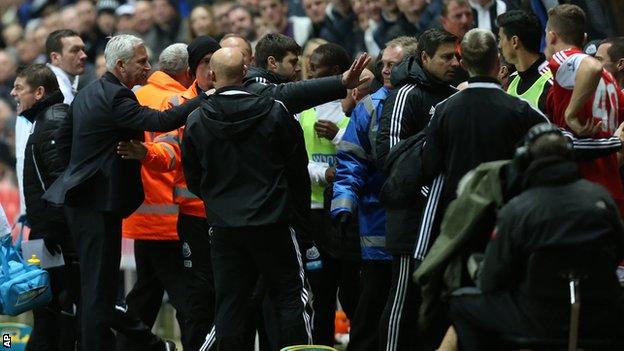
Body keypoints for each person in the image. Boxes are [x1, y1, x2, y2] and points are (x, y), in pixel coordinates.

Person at [42, 34, 205, 351]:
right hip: (98, 205)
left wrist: (73, 175)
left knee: (96, 287)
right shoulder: (118, 97)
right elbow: (162, 119)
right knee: (99, 290)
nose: (148, 66)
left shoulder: (88, 92)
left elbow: (63, 141)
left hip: (85, 203)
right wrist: (205, 96)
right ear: (120, 65)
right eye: (142, 61)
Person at [416, 30, 548, 345]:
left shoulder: (445, 110)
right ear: (497, 62)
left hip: (458, 225)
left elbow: (427, 167)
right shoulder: (519, 110)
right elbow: (553, 148)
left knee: (460, 305)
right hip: (504, 226)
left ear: (463, 62)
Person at [180, 46, 313, 350]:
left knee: (230, 304)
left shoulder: (197, 120)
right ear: (245, 73)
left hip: (225, 227)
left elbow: (194, 178)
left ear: (211, 76)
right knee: (291, 296)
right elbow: (296, 170)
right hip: (273, 222)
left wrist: (218, 202)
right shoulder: (275, 111)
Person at [448, 124, 624, 351]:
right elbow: (617, 253)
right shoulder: (601, 198)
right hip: (600, 317)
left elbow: (490, 281)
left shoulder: (518, 209)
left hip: (538, 321)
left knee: (461, 303)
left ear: (524, 160)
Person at [373, 30, 456, 350]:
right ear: (424, 57)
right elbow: (390, 159)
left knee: (437, 302)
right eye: (445, 57)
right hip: (410, 216)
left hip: (443, 218)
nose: (453, 63)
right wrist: (428, 197)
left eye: (456, 57)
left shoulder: (453, 94)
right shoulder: (406, 94)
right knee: (403, 298)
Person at [116, 43, 194, 351]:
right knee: (187, 298)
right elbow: (173, 155)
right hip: (172, 218)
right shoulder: (179, 100)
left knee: (146, 293)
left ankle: (127, 345)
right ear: (188, 72)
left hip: (141, 214)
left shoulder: (135, 96)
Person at [296, 42, 360, 347]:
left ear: (335, 72)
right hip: (314, 209)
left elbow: (365, 154)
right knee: (320, 292)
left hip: (347, 210)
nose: (308, 70)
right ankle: (320, 346)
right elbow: (294, 161)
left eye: (315, 65)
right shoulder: (303, 109)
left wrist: (337, 137)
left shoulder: (356, 105)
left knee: (351, 291)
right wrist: (324, 173)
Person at [16, 64, 79, 351]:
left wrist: (51, 230)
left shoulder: (52, 120)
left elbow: (60, 182)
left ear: (39, 92)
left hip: (54, 237)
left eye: (20, 88)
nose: (14, 93)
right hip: (44, 232)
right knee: (44, 305)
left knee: (54, 304)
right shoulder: (43, 119)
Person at [544, 4, 624, 212]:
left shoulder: (566, 58)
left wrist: (571, 115)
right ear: (585, 37)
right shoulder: (611, 81)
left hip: (581, 192)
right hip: (612, 190)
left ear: (552, 36)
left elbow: (592, 66)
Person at [498, 10, 552, 113]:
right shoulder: (511, 80)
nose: (499, 45)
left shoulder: (551, 83)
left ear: (514, 41)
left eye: (500, 38)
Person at [45, 29, 87, 104]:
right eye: (75, 50)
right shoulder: (56, 92)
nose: (83, 55)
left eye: (83, 49)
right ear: (55, 57)